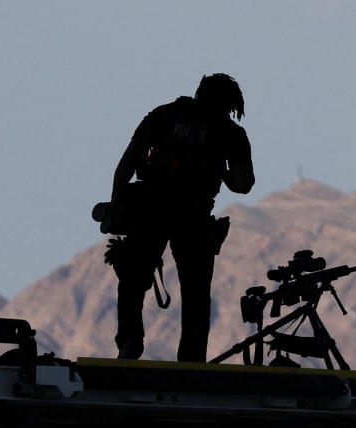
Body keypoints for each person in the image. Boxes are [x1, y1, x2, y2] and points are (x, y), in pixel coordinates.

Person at [109, 73, 255, 362]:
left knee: (133, 279)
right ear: (230, 103)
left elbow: (126, 165)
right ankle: (191, 360)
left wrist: (117, 207)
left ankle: (130, 339)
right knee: (196, 293)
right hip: (194, 215)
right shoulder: (230, 133)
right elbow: (243, 184)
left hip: (149, 209)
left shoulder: (163, 115)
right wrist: (219, 170)